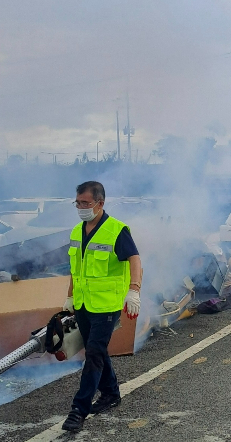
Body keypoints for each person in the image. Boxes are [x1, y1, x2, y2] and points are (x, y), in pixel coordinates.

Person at [61, 181, 143, 432]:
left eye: (86, 203)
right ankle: (111, 393)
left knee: (94, 354)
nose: (81, 207)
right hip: (84, 304)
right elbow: (77, 270)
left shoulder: (116, 231)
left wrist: (134, 290)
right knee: (97, 351)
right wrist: (70, 297)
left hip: (107, 306)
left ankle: (79, 410)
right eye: (78, 202)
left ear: (100, 203)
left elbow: (135, 259)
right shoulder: (77, 231)